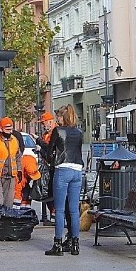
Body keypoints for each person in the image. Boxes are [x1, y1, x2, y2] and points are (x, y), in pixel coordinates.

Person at [44, 106, 84, 256]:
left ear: (63, 117)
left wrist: (49, 156)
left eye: (58, 117)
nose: (56, 120)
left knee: (59, 209)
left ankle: (58, 244)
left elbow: (49, 152)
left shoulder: (58, 131)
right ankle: (75, 244)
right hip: (77, 170)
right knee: (74, 210)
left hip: (63, 170)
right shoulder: (79, 132)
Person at [36, 112, 57, 225]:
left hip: (52, 166)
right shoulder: (46, 134)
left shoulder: (55, 133)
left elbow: (50, 152)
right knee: (46, 190)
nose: (43, 125)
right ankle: (50, 214)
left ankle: (54, 213)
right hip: (46, 167)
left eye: (44, 123)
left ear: (50, 122)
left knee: (50, 191)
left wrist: (40, 148)